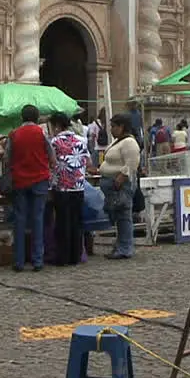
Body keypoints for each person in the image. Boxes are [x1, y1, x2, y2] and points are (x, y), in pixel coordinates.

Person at [5, 104, 55, 272]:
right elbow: (52, 156)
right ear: (36, 118)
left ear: (22, 117)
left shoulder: (14, 134)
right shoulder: (41, 133)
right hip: (40, 179)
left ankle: (18, 261)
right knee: (38, 219)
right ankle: (37, 260)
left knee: (19, 220)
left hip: (19, 180)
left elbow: (7, 158)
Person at [89, 113, 139, 260]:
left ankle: (125, 247)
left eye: (113, 126)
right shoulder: (119, 141)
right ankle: (121, 244)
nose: (111, 129)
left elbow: (131, 162)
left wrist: (121, 177)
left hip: (120, 184)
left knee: (123, 216)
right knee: (119, 216)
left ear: (121, 127)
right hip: (112, 182)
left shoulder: (129, 143)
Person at [48, 112, 88, 266]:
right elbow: (88, 160)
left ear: (57, 125)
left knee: (62, 222)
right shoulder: (81, 140)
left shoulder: (55, 142)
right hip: (78, 185)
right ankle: (75, 255)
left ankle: (62, 256)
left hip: (62, 186)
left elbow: (51, 163)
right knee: (76, 221)